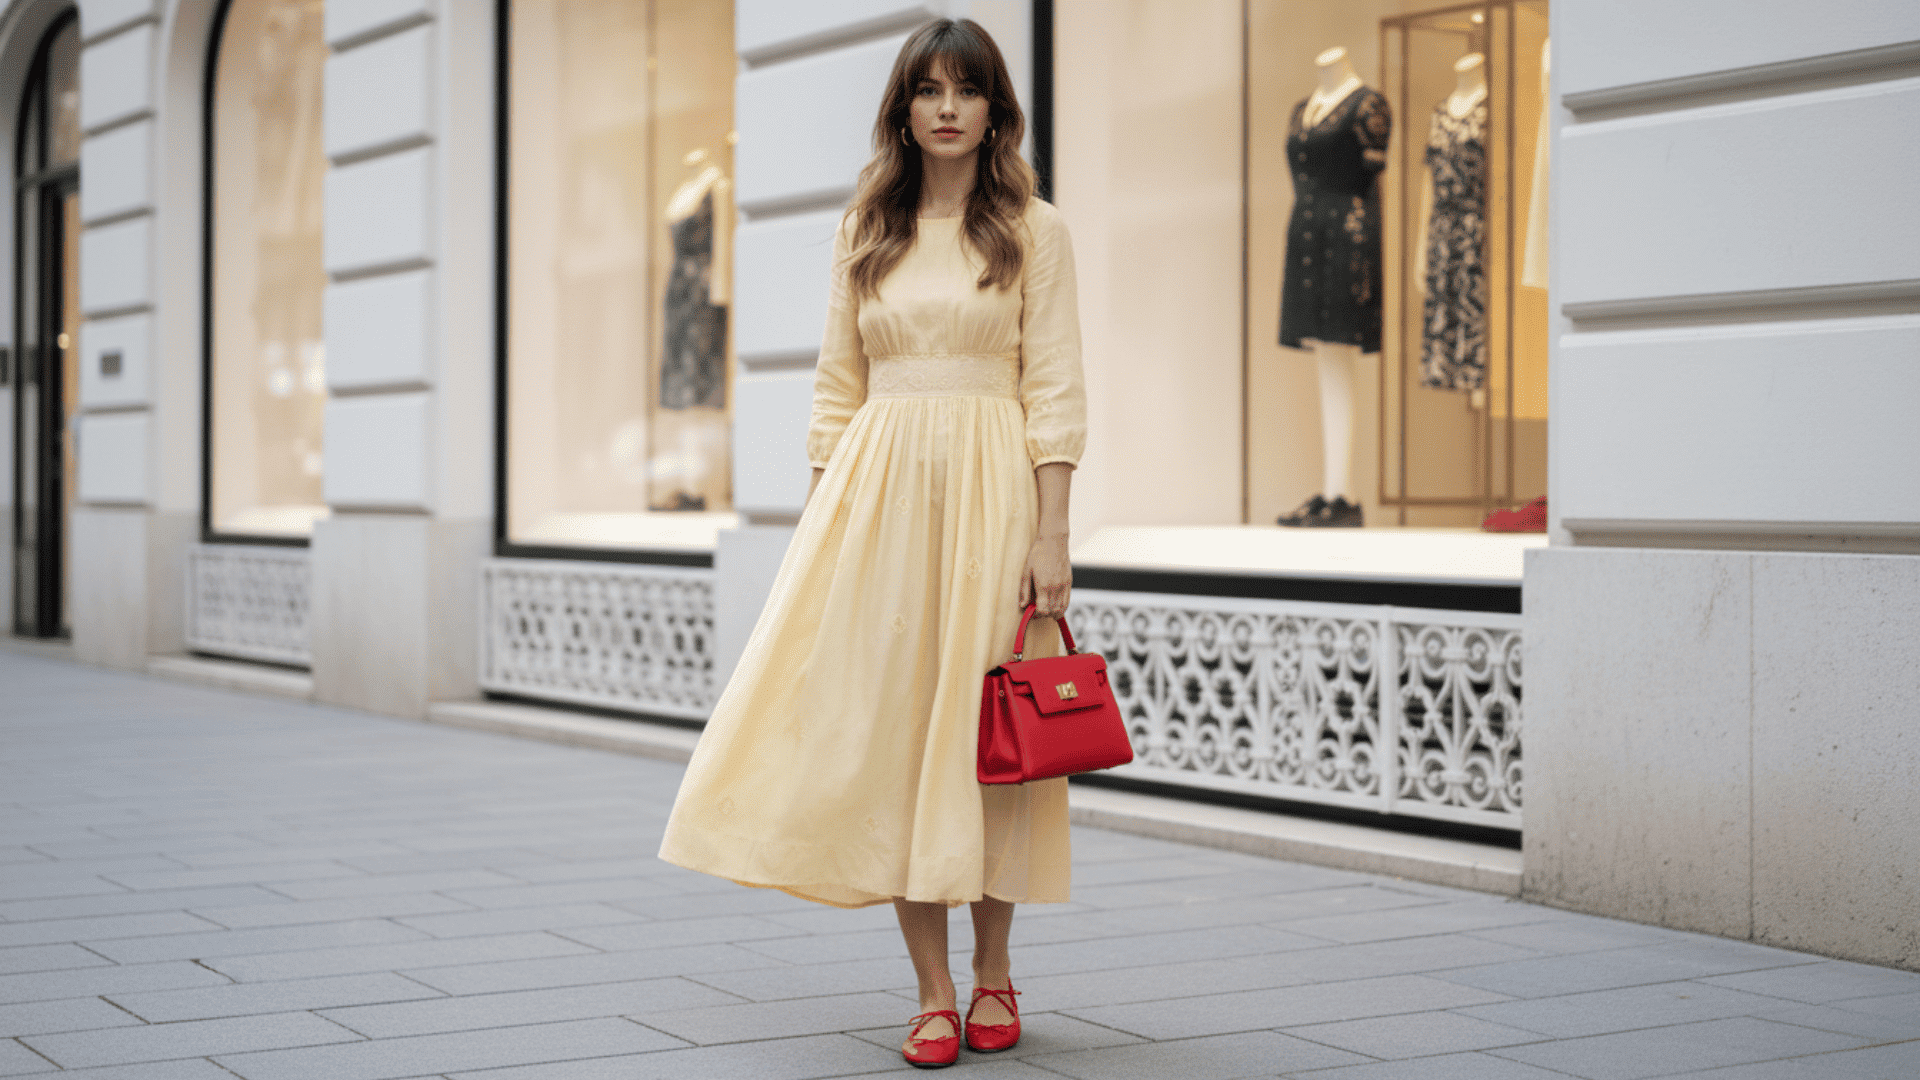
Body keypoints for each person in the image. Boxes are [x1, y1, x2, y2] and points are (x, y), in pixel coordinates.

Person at [657, 17, 1086, 1071]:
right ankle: (933, 992)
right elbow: (835, 390)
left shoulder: (1036, 229)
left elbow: (1056, 389)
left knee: (988, 745)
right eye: (927, 90)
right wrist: (820, 529)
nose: (946, 107)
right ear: (902, 109)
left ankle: (995, 972)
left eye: (967, 89)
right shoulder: (868, 227)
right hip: (876, 499)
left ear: (995, 111)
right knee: (894, 735)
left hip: (993, 497)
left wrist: (1054, 532)